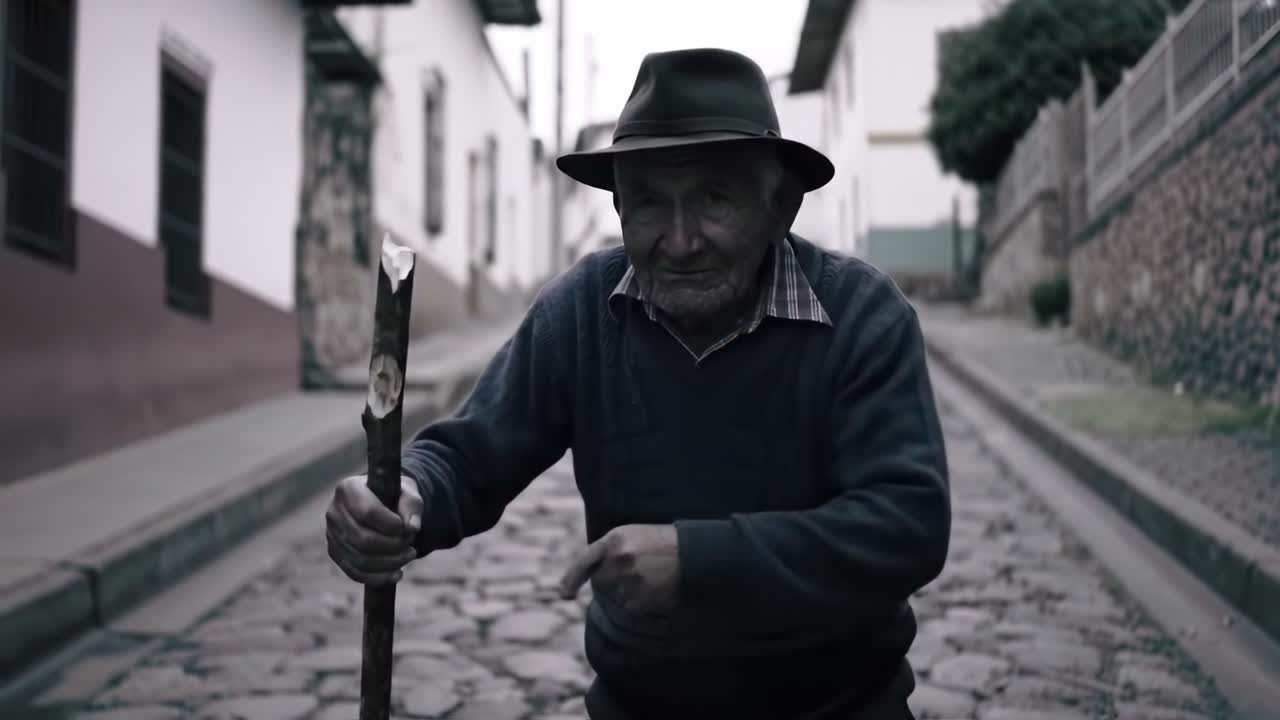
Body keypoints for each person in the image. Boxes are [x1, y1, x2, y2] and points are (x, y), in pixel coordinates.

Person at [325, 48, 950, 720]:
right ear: (619, 208)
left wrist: (699, 561)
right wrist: (404, 496)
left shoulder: (861, 315)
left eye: (714, 199)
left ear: (781, 207)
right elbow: (471, 452)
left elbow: (906, 524)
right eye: (649, 203)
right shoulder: (583, 310)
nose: (679, 241)